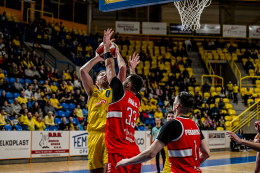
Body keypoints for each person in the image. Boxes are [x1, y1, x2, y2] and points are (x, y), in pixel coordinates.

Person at [116, 91, 210, 173]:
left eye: (174, 101)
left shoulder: (173, 125)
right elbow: (206, 153)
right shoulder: (196, 126)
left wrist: (127, 161)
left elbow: (150, 153)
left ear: (177, 106)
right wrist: (191, 167)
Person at [79, 29, 127, 173]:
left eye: (105, 73)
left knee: (109, 169)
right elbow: (82, 71)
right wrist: (97, 59)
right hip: (93, 134)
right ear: (95, 80)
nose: (104, 75)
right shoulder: (92, 91)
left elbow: (122, 71)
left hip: (109, 134)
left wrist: (116, 54)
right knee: (95, 171)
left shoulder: (113, 90)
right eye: (100, 74)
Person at [102, 28, 143, 173]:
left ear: (128, 84)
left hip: (119, 152)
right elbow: (135, 84)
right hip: (134, 152)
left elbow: (110, 66)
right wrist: (132, 71)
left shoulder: (120, 93)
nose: (124, 81)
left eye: (127, 80)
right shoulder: (137, 100)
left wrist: (108, 48)